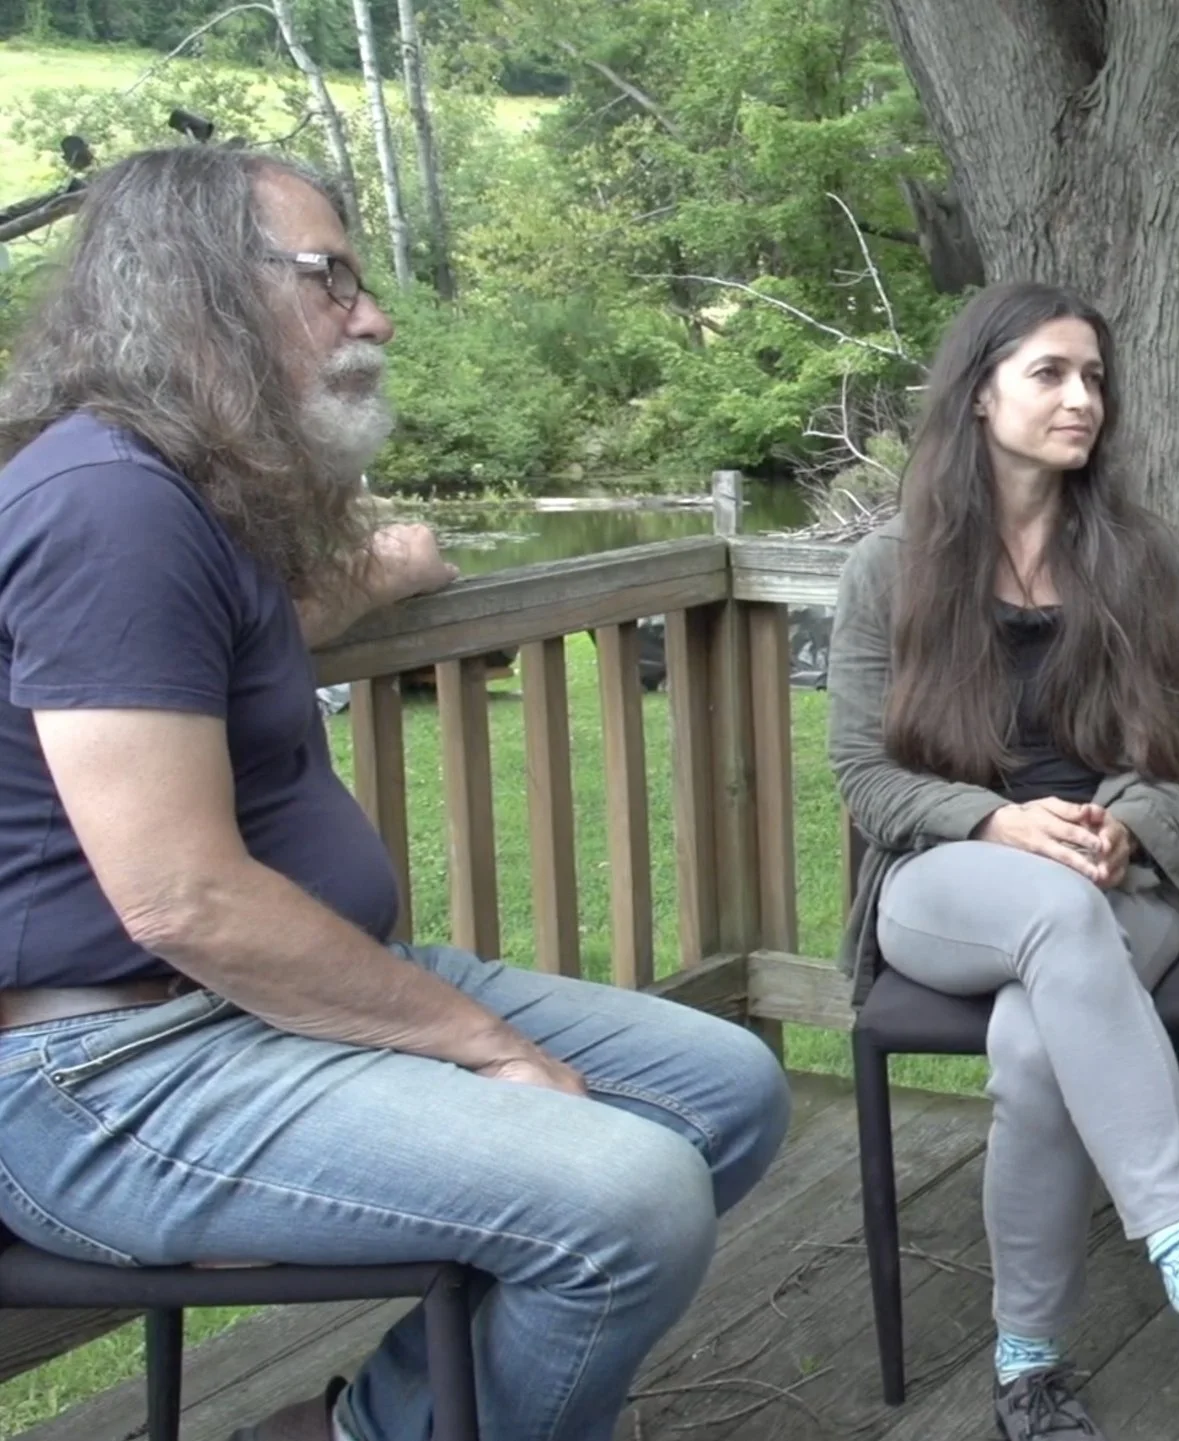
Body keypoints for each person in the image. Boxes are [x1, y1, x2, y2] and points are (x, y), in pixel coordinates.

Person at [0, 147, 792, 1441]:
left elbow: (220, 642)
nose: (372, 318)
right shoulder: (109, 507)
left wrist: (380, 574)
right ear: (202, 287)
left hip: (252, 1007)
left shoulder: (176, 494)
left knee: (725, 1088)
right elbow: (183, 897)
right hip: (117, 1068)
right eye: (332, 279)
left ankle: (379, 1425)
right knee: (628, 1198)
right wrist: (483, 1045)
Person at [828, 280, 1179, 1441]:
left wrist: (1126, 826)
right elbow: (864, 776)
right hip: (946, 878)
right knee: (1048, 910)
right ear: (979, 392)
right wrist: (997, 824)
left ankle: (1027, 1370)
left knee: (1032, 1042)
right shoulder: (891, 566)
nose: (1080, 397)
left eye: (1093, 376)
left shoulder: (1137, 558)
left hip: (1114, 877)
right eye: (1049, 372)